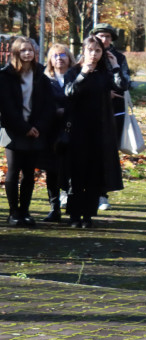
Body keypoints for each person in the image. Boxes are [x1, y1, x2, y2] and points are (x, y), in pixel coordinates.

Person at [61, 36, 124, 228]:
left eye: (98, 51)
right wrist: (83, 74)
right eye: (90, 50)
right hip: (77, 128)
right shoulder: (74, 71)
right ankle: (74, 215)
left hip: (100, 129)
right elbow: (69, 92)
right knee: (77, 173)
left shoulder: (105, 73)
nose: (94, 54)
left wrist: (116, 67)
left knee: (94, 174)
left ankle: (88, 215)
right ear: (84, 51)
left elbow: (122, 86)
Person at [0, 37, 56, 226]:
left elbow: (49, 105)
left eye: (30, 50)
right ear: (16, 53)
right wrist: (24, 128)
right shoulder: (5, 76)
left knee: (29, 173)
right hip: (12, 130)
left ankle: (25, 211)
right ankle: (13, 213)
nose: (27, 53)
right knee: (13, 170)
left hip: (36, 130)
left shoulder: (41, 74)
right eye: (23, 50)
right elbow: (6, 107)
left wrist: (38, 127)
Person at [90, 24, 132, 211]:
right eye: (101, 36)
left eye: (107, 36)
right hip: (90, 111)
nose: (104, 39)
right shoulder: (87, 55)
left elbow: (125, 83)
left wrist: (115, 67)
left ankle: (102, 193)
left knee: (108, 153)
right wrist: (103, 93)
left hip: (114, 112)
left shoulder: (119, 58)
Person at [41, 44, 73, 221]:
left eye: (63, 55)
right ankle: (54, 208)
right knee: (52, 170)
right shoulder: (44, 79)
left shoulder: (75, 76)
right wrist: (54, 111)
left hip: (73, 128)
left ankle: (72, 205)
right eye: (55, 55)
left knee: (71, 168)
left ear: (69, 58)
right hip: (51, 130)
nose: (59, 58)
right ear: (50, 60)